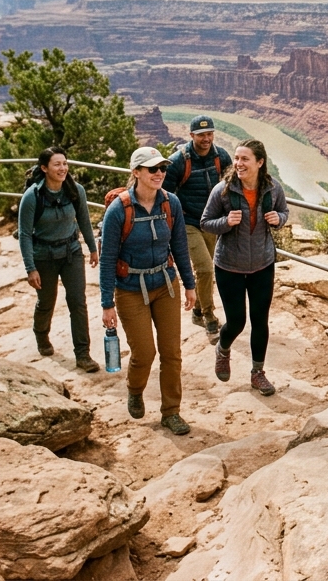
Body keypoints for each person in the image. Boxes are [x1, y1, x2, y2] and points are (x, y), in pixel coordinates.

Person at [100, 146, 198, 436]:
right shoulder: (120, 209)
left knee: (172, 353)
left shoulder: (171, 204)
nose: (159, 174)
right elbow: (107, 260)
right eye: (152, 169)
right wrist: (107, 303)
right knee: (144, 352)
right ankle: (135, 389)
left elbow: (180, 245)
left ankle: (171, 412)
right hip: (130, 289)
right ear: (136, 173)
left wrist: (190, 285)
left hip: (165, 284)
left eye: (163, 169)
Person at [199, 139, 289, 396]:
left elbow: (284, 212)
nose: (238, 163)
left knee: (260, 321)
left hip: (262, 264)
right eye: (237, 158)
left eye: (245, 159)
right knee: (236, 321)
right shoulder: (223, 191)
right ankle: (223, 349)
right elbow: (206, 222)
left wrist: (278, 219)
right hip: (229, 266)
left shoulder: (273, 189)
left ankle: (257, 373)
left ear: (260, 163)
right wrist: (226, 222)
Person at [18, 146, 99, 372]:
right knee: (46, 301)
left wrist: (92, 248)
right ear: (44, 168)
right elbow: (24, 234)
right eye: (57, 164)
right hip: (43, 256)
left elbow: (84, 221)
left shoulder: (75, 191)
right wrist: (30, 268)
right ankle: (41, 335)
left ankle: (83, 354)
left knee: (78, 301)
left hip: (71, 252)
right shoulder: (32, 196)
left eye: (65, 163)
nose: (62, 168)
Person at [163, 115, 233, 344]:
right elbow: (165, 196)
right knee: (204, 269)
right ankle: (209, 317)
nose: (206, 138)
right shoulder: (178, 162)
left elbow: (231, 186)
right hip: (188, 223)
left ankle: (196, 311)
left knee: (209, 268)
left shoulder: (221, 156)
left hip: (212, 222)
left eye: (210, 133)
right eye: (201, 134)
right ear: (191, 135)